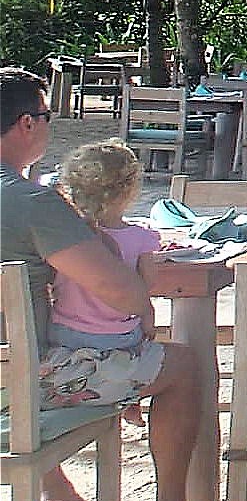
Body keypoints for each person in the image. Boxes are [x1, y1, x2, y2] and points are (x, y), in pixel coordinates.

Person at [0, 67, 219, 501]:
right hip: (20, 385)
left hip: (16, 377)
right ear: (26, 124)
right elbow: (119, 292)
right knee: (182, 365)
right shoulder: (31, 202)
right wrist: (143, 286)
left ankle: (59, 498)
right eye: (47, 115)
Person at [49, 142, 165, 422]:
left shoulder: (66, 237)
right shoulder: (141, 237)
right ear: (130, 190)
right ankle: (130, 398)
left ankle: (123, 397)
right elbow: (147, 286)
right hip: (116, 340)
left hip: (64, 336)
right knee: (146, 334)